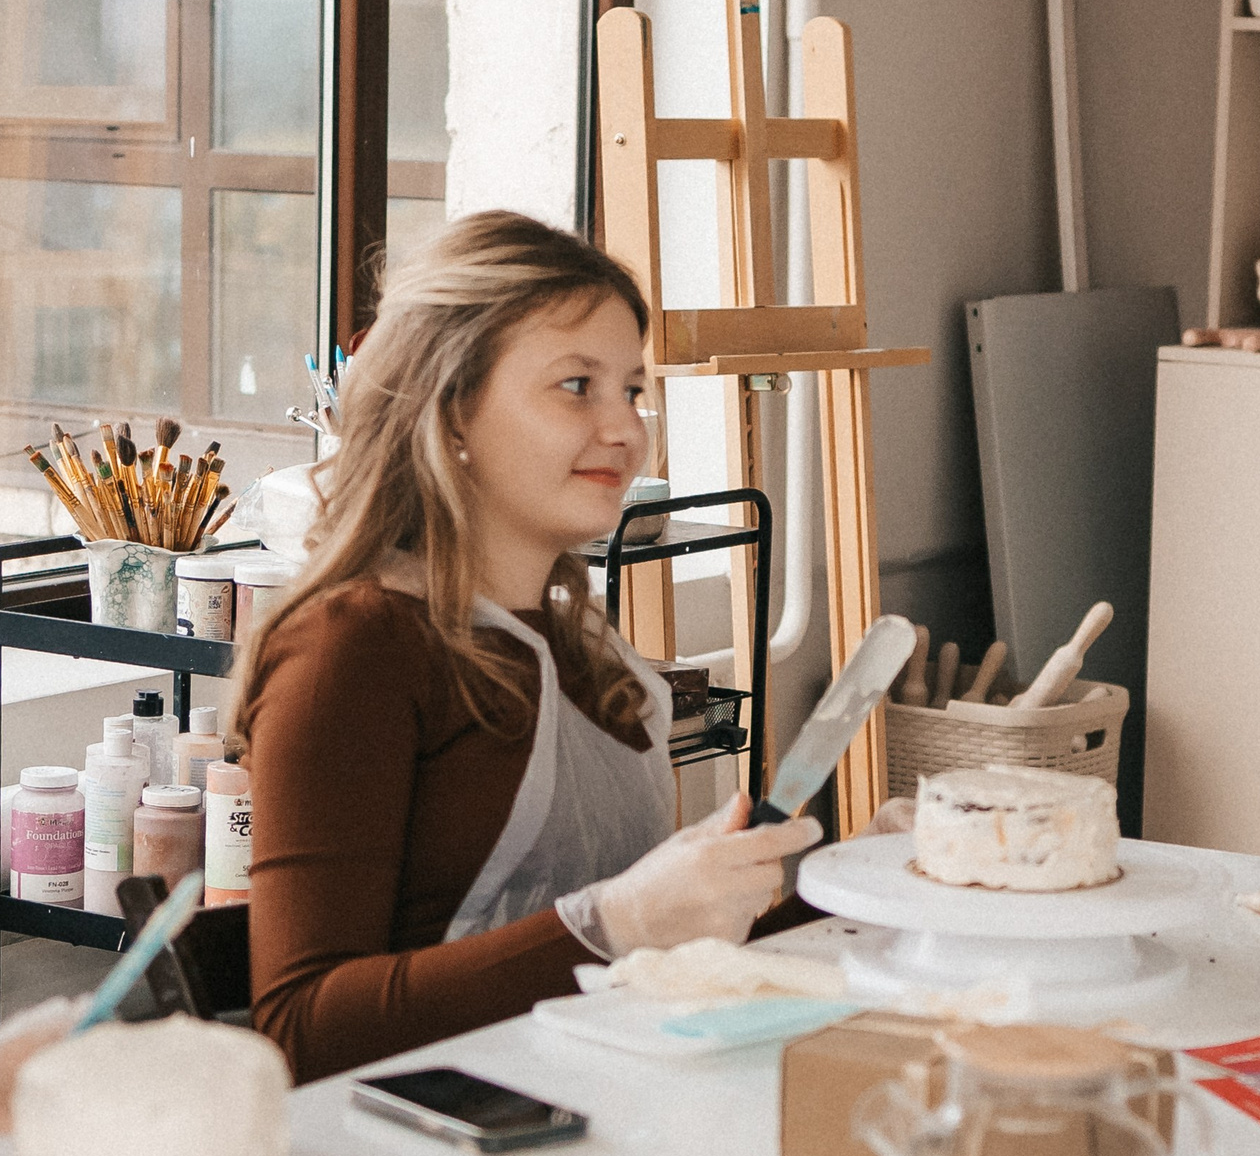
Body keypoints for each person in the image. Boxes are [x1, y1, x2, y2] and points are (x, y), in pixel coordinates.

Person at [241, 212, 824, 1080]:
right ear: (452, 411)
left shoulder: (585, 647)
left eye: (633, 389)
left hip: (609, 1105)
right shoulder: (351, 650)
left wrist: (853, 894)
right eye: (577, 386)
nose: (627, 429)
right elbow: (302, 1032)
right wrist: (614, 923)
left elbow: (652, 970)